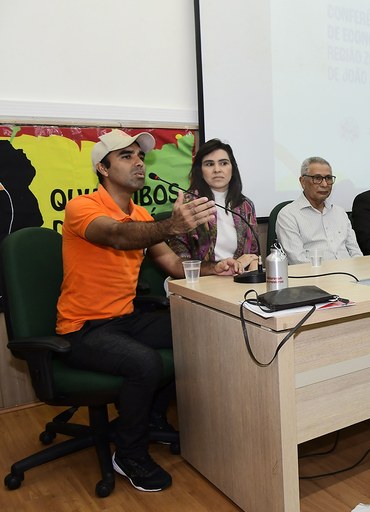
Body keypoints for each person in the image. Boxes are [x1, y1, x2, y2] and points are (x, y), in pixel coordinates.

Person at [56, 130, 241, 492]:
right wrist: (172, 224)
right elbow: (118, 237)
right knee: (145, 363)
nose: (138, 162)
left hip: (126, 319)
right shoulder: (83, 207)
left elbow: (172, 263)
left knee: (193, 329)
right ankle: (129, 453)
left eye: (140, 156)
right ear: (103, 169)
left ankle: (151, 416)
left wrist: (211, 268)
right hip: (84, 329)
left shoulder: (140, 213)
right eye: (126, 156)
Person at [168, 139, 260, 269]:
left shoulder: (245, 205)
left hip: (239, 278)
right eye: (209, 164)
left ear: (232, 168)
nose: (217, 170)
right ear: (200, 170)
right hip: (200, 279)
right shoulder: (187, 204)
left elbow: (253, 253)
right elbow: (179, 258)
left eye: (223, 163)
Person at [276, 156, 362, 264]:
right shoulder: (288, 215)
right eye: (317, 178)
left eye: (328, 178)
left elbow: (355, 252)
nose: (325, 184)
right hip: (316, 277)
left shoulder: (340, 212)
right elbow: (298, 261)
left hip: (350, 275)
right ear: (303, 181)